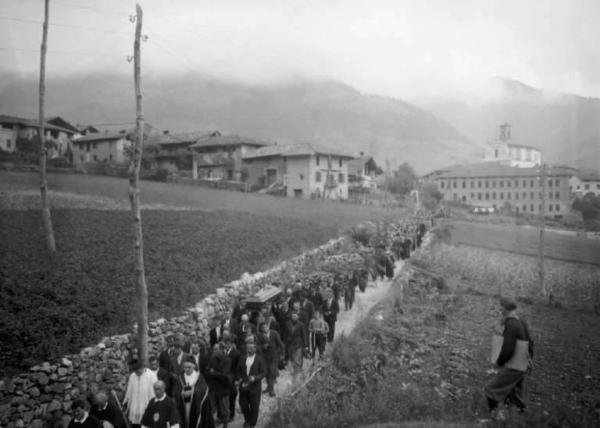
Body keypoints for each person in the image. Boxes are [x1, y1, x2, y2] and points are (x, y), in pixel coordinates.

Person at [484, 297, 534, 420]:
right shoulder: (521, 321)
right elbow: (531, 343)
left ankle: (495, 416)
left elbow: (508, 348)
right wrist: (529, 360)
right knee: (515, 394)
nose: (500, 309)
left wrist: (500, 362)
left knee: (491, 389)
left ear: (505, 308)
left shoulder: (511, 324)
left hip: (514, 364)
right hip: (523, 365)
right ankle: (518, 420)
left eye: (501, 306)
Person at [174, 358, 214, 428]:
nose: (186, 369)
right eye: (185, 367)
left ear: (194, 367)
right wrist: (182, 393)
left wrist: (192, 392)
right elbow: (176, 390)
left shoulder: (199, 377)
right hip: (183, 406)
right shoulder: (181, 377)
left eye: (189, 367)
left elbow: (204, 390)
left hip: (196, 405)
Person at [235, 341, 266, 428]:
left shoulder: (259, 359)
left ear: (255, 349)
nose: (249, 350)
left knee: (254, 406)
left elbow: (263, 372)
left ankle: (252, 423)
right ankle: (247, 420)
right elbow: (237, 370)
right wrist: (239, 378)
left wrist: (255, 378)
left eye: (251, 348)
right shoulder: (242, 358)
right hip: (244, 386)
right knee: (243, 404)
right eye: (248, 348)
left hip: (255, 387)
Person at [123, 359, 157, 428]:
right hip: (135, 408)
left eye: (138, 371)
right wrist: (125, 403)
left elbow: (155, 393)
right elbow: (129, 392)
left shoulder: (152, 376)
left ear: (142, 367)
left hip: (147, 407)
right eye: (135, 371)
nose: (136, 373)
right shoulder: (132, 376)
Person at [206, 344, 233, 427]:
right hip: (213, 387)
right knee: (211, 408)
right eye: (214, 349)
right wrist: (214, 372)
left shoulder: (227, 360)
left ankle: (225, 425)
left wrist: (213, 372)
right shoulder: (212, 358)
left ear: (222, 350)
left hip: (223, 388)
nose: (214, 351)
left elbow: (224, 375)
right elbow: (207, 370)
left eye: (216, 349)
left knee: (224, 409)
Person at [256, 322, 285, 396]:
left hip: (274, 356)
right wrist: (262, 346)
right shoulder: (259, 335)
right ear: (261, 329)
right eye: (263, 327)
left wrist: (282, 354)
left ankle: (271, 390)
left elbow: (280, 344)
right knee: (266, 373)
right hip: (264, 357)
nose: (265, 328)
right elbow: (257, 346)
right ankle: (269, 387)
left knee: (272, 372)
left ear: (268, 327)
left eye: (266, 327)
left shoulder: (274, 333)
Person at [220, 331, 240, 423]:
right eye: (225, 343)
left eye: (228, 343)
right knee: (221, 397)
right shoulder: (221, 352)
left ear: (231, 344)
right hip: (222, 378)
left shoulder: (236, 353)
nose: (226, 345)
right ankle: (222, 416)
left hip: (231, 379)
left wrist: (236, 379)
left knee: (232, 396)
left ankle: (231, 414)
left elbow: (237, 368)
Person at [285, 311, 308, 377]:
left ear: (298, 317)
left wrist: (305, 345)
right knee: (292, 358)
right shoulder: (288, 324)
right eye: (293, 316)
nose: (294, 317)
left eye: (295, 316)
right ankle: (294, 370)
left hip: (298, 344)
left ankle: (297, 372)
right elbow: (285, 334)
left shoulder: (301, 325)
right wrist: (285, 343)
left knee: (297, 358)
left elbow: (304, 335)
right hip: (290, 343)